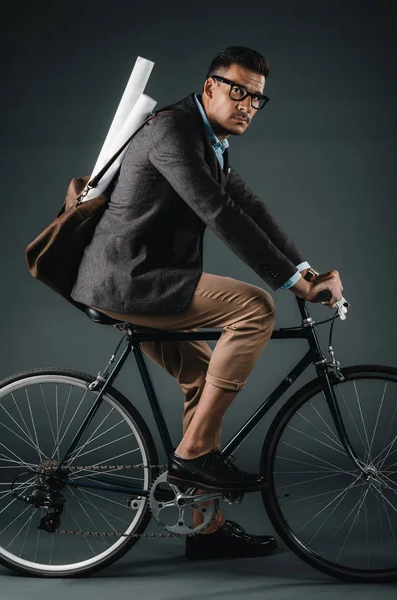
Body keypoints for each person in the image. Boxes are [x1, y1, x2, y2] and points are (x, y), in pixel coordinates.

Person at [70, 45, 344, 560]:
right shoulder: (172, 131)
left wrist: (305, 270)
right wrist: (291, 284)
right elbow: (219, 213)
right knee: (256, 307)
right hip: (131, 282)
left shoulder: (209, 140)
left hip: (153, 280)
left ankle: (203, 528)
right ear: (211, 86)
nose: (246, 105)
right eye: (237, 91)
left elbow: (250, 207)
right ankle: (193, 453)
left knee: (202, 380)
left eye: (257, 99)